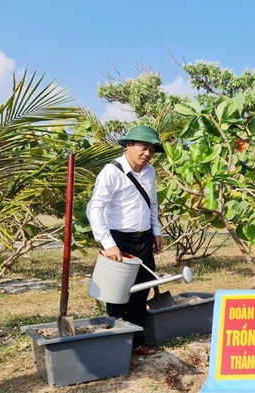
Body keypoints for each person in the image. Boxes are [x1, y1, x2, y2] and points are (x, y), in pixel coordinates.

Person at [87, 125, 165, 357]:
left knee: (142, 292)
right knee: (118, 295)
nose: (148, 153)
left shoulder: (149, 171)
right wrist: (109, 244)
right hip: (119, 240)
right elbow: (95, 208)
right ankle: (116, 345)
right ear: (129, 145)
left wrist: (157, 230)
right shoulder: (112, 172)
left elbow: (151, 203)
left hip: (144, 239)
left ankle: (137, 343)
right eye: (144, 147)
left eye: (152, 150)